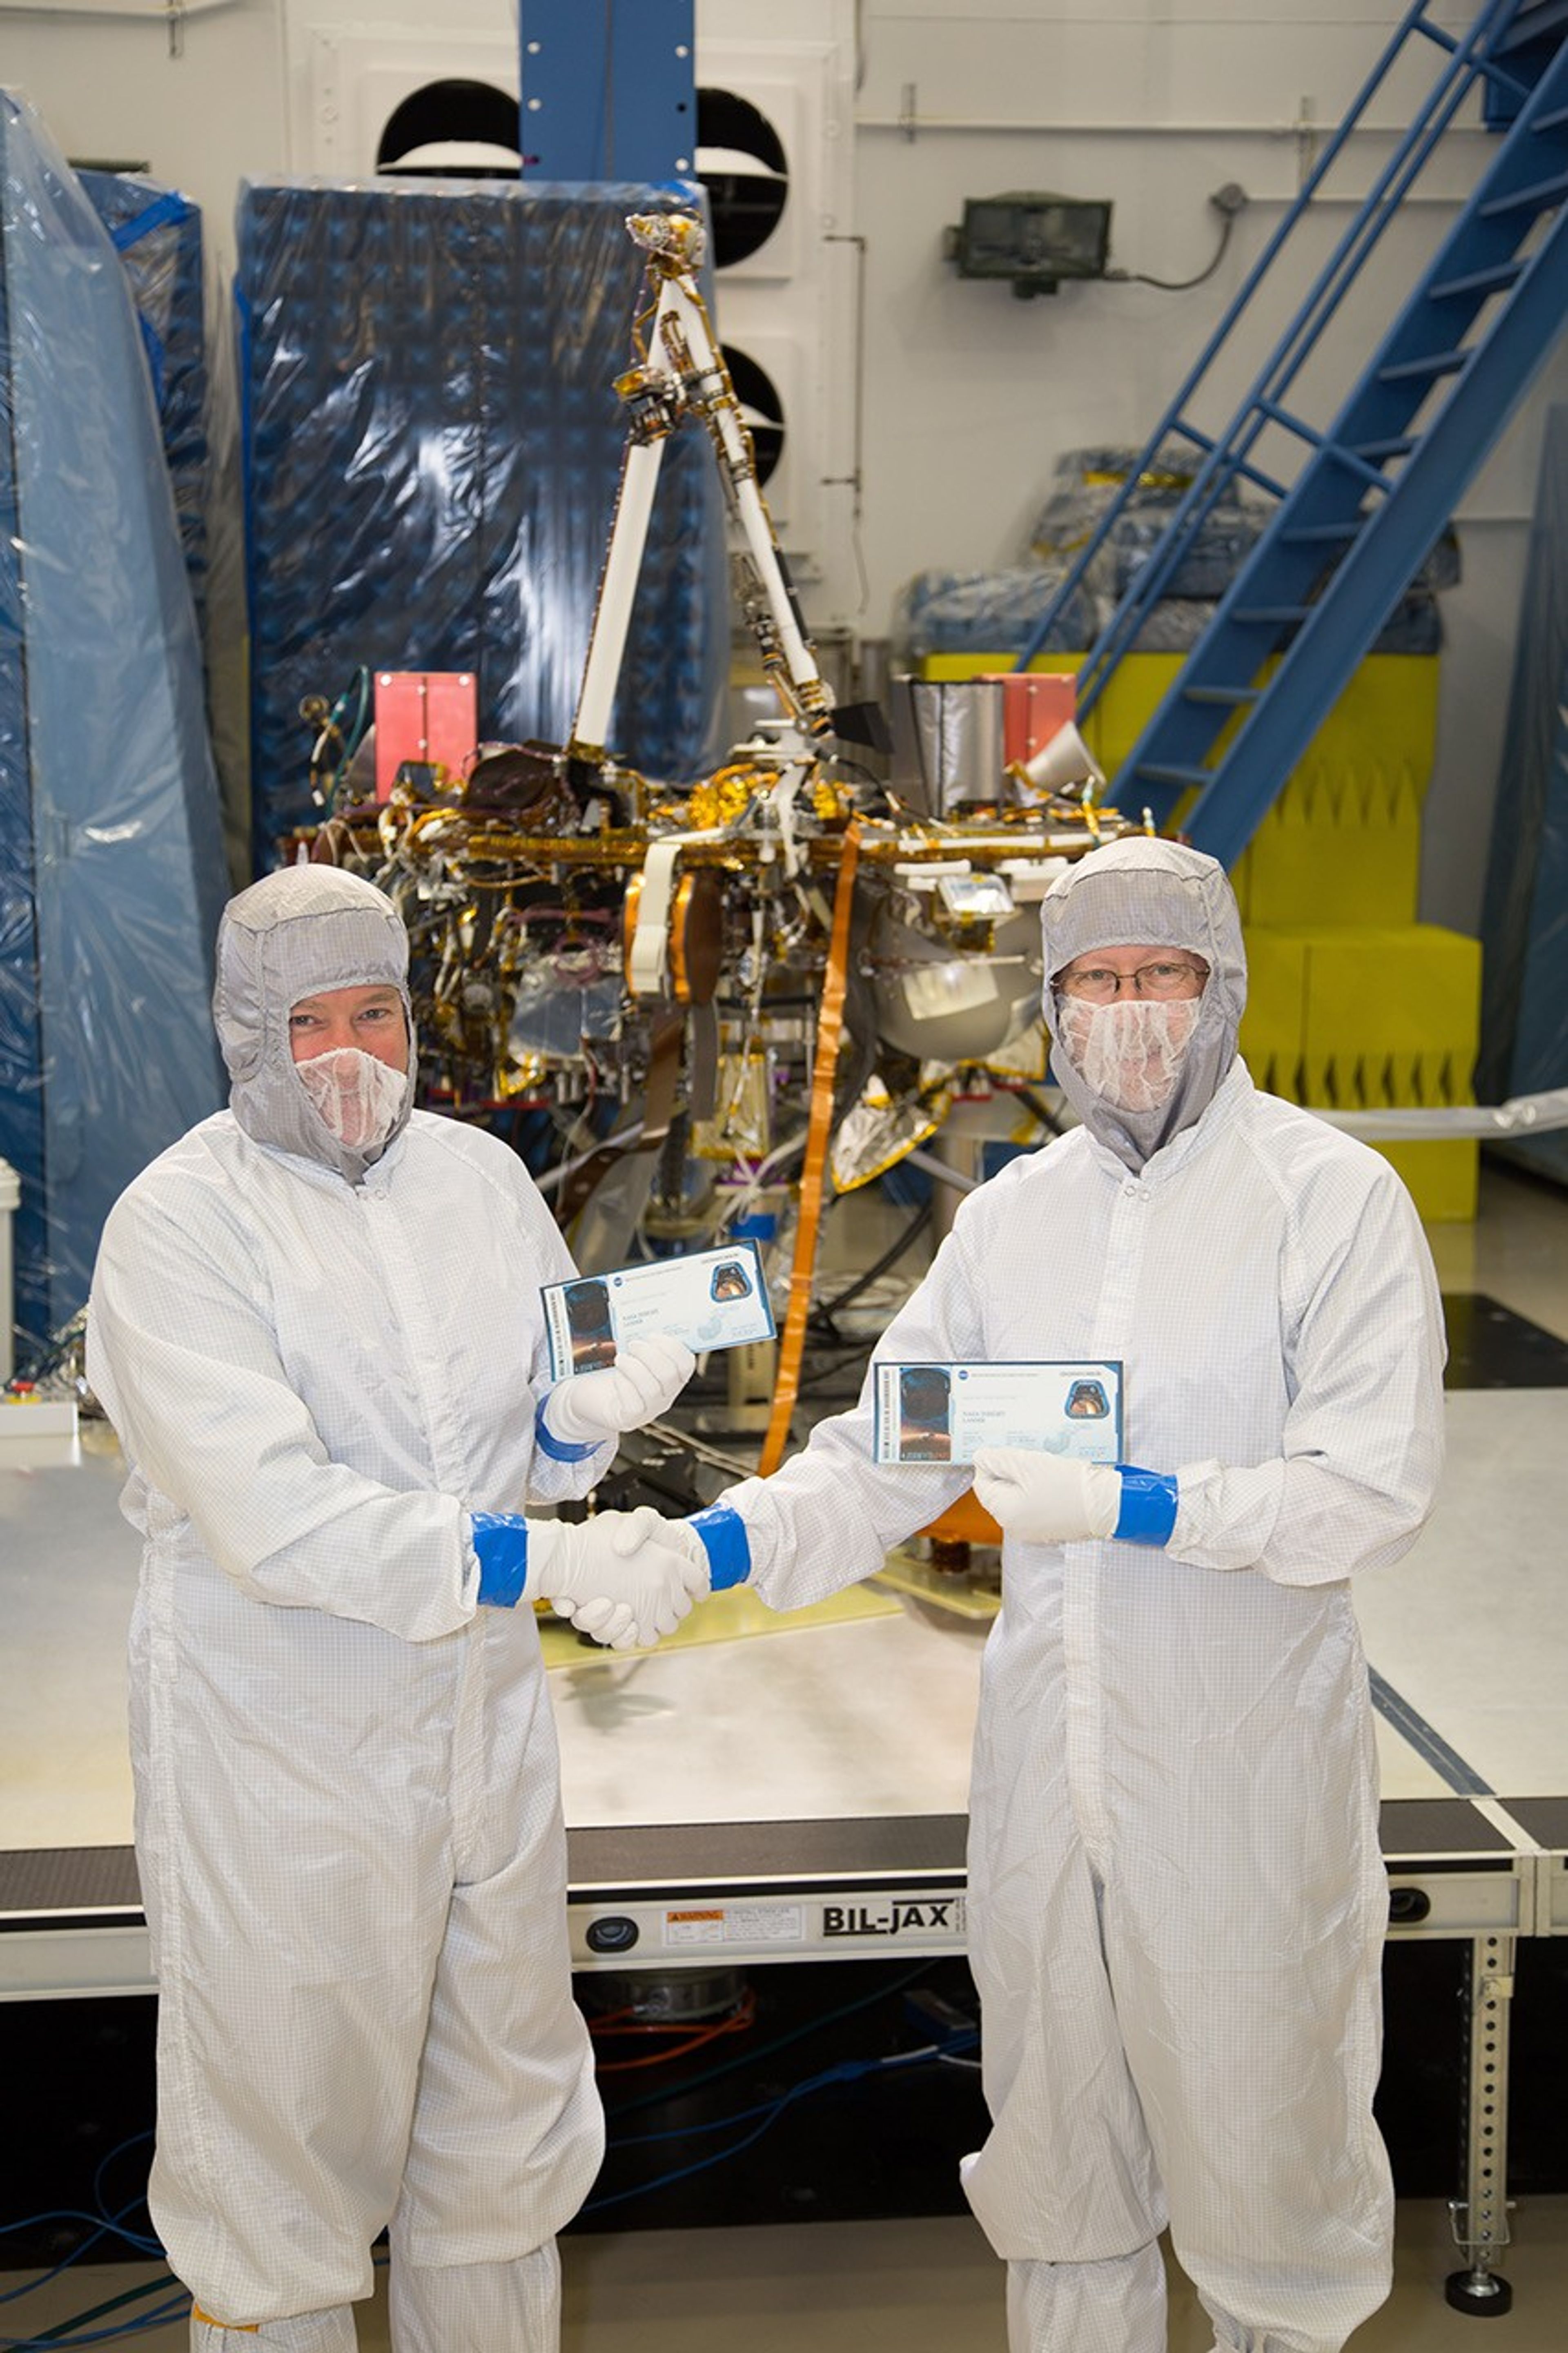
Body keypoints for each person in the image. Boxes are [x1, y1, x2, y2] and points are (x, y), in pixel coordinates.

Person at [632, 837, 1447, 2353]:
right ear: (1053, 1007)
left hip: (1240, 1786)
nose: (1130, 1009)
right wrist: (703, 1551)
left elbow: (1372, 1487)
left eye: (1164, 975)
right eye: (1096, 981)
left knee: (1271, 2183)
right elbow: (888, 1450)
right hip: (1043, 1785)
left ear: (1224, 987)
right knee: (1064, 2177)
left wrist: (1138, 1505)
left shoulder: (1329, 1202)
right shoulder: (1016, 1219)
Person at [85, 864, 706, 2352]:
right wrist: (551, 1566)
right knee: (284, 2165)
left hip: (482, 1737)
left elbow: (521, 1431)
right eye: (313, 1022)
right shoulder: (179, 1225)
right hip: (284, 1752)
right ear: (245, 1035)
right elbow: (283, 1520)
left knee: (500, 2139)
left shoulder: (478, 1180)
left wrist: (584, 1425)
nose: (354, 1052)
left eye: (380, 1011)